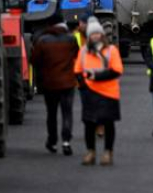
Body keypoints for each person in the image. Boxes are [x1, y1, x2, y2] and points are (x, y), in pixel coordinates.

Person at [75, 18, 124, 166]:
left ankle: (108, 152)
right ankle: (90, 152)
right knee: (89, 124)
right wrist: (83, 86)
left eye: (97, 33)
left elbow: (117, 71)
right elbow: (77, 70)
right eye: (92, 34)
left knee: (108, 124)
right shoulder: (84, 51)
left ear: (102, 35)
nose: (95, 36)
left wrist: (96, 76)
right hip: (90, 93)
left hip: (109, 93)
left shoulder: (111, 51)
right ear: (89, 36)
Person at [31, 13, 79, 156]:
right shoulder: (71, 39)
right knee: (67, 112)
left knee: (51, 114)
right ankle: (66, 142)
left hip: (50, 83)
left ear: (50, 25)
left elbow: (34, 60)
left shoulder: (42, 41)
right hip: (68, 83)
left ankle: (52, 141)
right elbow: (77, 56)